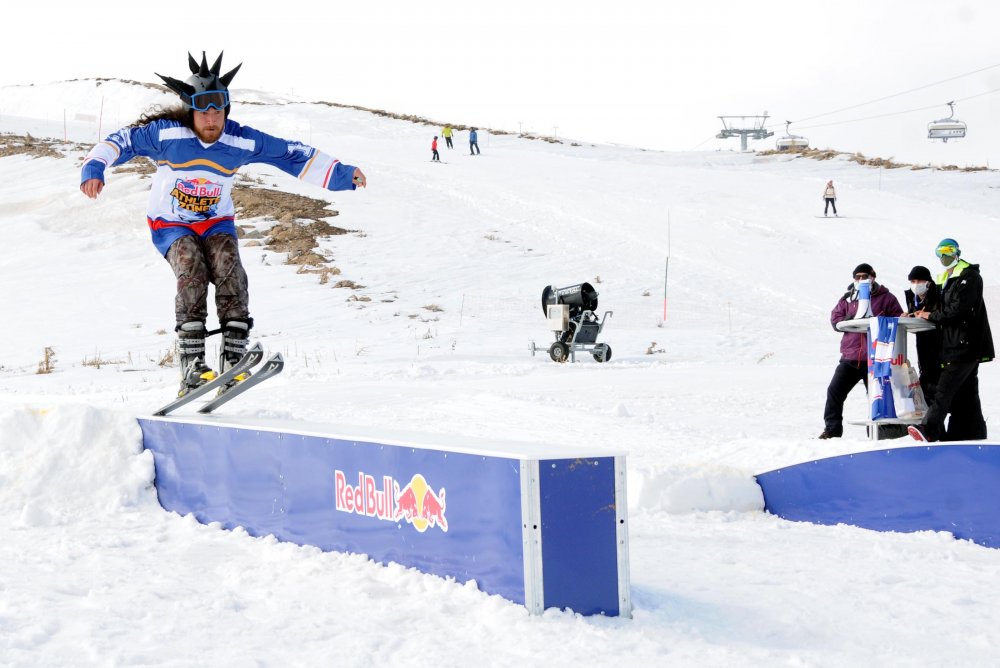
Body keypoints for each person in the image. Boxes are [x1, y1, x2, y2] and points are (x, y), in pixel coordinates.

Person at [79, 52, 367, 397]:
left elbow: (289, 152)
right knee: (192, 269)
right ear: (191, 112)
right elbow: (118, 142)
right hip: (170, 223)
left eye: (218, 111)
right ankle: (192, 367)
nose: (212, 119)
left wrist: (341, 174)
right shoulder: (165, 135)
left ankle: (234, 357)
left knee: (229, 268)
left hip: (216, 221)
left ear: (226, 111)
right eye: (204, 112)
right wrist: (94, 168)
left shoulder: (239, 140)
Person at [909, 239, 994, 442]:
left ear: (957, 252)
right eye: (940, 252)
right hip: (954, 344)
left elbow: (959, 309)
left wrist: (931, 316)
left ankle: (929, 429)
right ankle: (972, 434)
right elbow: (936, 304)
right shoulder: (944, 278)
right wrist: (917, 313)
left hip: (965, 344)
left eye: (949, 251)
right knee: (966, 394)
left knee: (944, 388)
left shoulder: (968, 276)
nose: (944, 256)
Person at [819, 263, 903, 439]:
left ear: (873, 276)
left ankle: (879, 433)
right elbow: (836, 319)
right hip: (850, 357)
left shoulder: (886, 298)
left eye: (864, 276)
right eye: (857, 277)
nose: (861, 280)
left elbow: (899, 318)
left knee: (876, 397)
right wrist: (851, 318)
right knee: (834, 391)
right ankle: (832, 431)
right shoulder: (848, 298)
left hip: (874, 358)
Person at [903, 265, 942, 399]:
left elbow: (942, 317)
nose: (916, 285)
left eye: (919, 281)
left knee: (938, 386)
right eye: (913, 282)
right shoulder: (911, 297)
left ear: (928, 282)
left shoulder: (939, 295)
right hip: (923, 346)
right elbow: (916, 317)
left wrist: (927, 315)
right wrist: (909, 317)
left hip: (940, 347)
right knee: (926, 383)